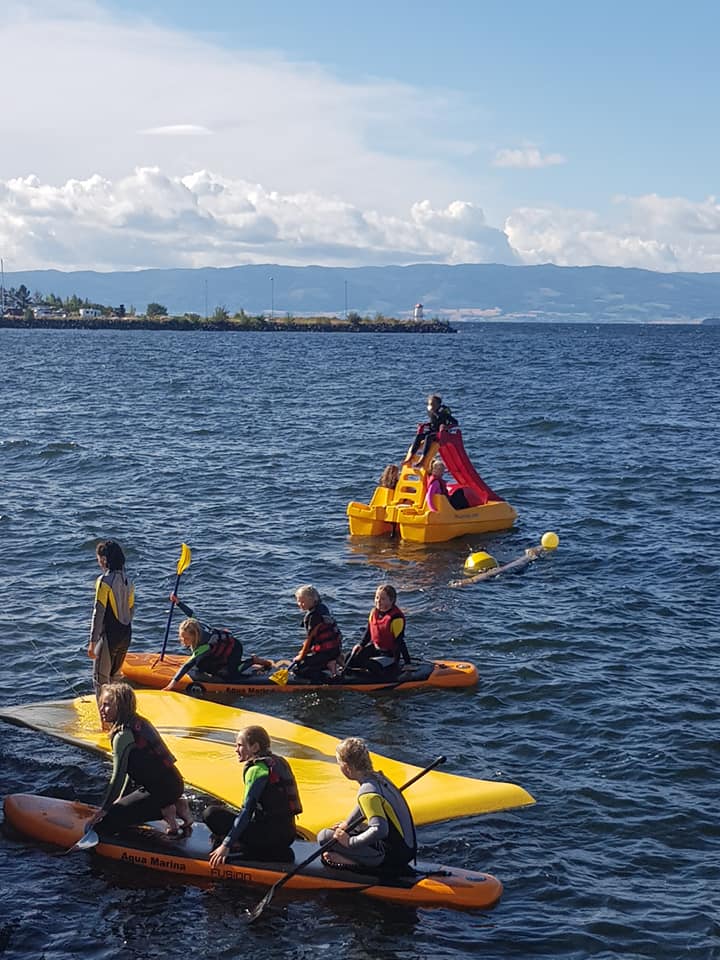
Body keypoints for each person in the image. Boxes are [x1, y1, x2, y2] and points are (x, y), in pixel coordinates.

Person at [85, 682, 192, 836]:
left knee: (105, 825)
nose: (101, 709)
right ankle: (174, 805)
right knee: (121, 810)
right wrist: (120, 800)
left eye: (107, 705)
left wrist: (105, 810)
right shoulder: (138, 722)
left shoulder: (122, 736)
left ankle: (169, 808)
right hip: (171, 783)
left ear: (121, 706)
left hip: (162, 789)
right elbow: (132, 769)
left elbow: (118, 777)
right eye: (101, 704)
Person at [204, 725, 302, 865]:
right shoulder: (279, 761)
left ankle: (241, 843)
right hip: (288, 834)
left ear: (255, 747)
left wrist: (226, 844)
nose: (236, 750)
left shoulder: (256, 770)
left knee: (211, 813)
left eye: (240, 745)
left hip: (269, 838)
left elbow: (247, 811)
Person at [317, 737, 416, 875]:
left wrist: (350, 842)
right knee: (348, 830)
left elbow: (380, 830)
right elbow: (364, 806)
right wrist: (347, 823)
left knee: (325, 837)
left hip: (391, 857)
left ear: (346, 768)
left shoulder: (367, 792)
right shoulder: (379, 778)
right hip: (406, 851)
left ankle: (355, 863)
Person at [162, 593, 271, 692]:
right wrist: (178, 602)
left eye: (186, 639)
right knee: (201, 665)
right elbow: (191, 614)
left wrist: (172, 685)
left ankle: (252, 660)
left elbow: (187, 666)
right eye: (182, 637)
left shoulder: (204, 646)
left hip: (234, 648)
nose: (183, 641)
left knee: (231, 675)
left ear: (195, 636)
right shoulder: (194, 624)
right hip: (220, 650)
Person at [88, 539, 134, 702]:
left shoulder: (104, 581)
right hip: (126, 634)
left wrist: (93, 642)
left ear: (105, 559)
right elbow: (131, 610)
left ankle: (106, 724)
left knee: (100, 681)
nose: (98, 562)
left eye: (99, 558)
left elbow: (98, 613)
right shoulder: (128, 581)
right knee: (115, 680)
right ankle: (120, 717)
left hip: (109, 637)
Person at [347, 585, 411, 676]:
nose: (378, 601)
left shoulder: (396, 618)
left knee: (369, 665)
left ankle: (389, 669)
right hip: (375, 649)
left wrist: (407, 663)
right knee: (350, 657)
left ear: (391, 600)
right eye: (376, 598)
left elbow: (400, 642)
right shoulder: (374, 613)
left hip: (389, 655)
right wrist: (361, 645)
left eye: (383, 599)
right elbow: (368, 632)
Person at [291, 585, 343, 679]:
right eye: (298, 601)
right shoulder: (322, 608)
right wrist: (303, 652)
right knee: (308, 659)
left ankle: (328, 672)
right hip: (335, 650)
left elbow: (310, 639)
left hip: (327, 653)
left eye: (303, 601)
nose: (299, 604)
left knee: (298, 669)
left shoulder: (313, 617)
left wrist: (301, 657)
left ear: (312, 600)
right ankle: (332, 662)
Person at [404, 393, 458, 467]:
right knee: (419, 436)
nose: (431, 405)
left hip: (441, 433)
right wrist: (425, 424)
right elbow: (433, 422)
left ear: (438, 404)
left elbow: (455, 422)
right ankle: (411, 456)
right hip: (433, 430)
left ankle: (422, 459)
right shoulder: (432, 411)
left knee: (428, 437)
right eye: (430, 404)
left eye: (433, 404)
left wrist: (446, 427)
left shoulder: (443, 412)